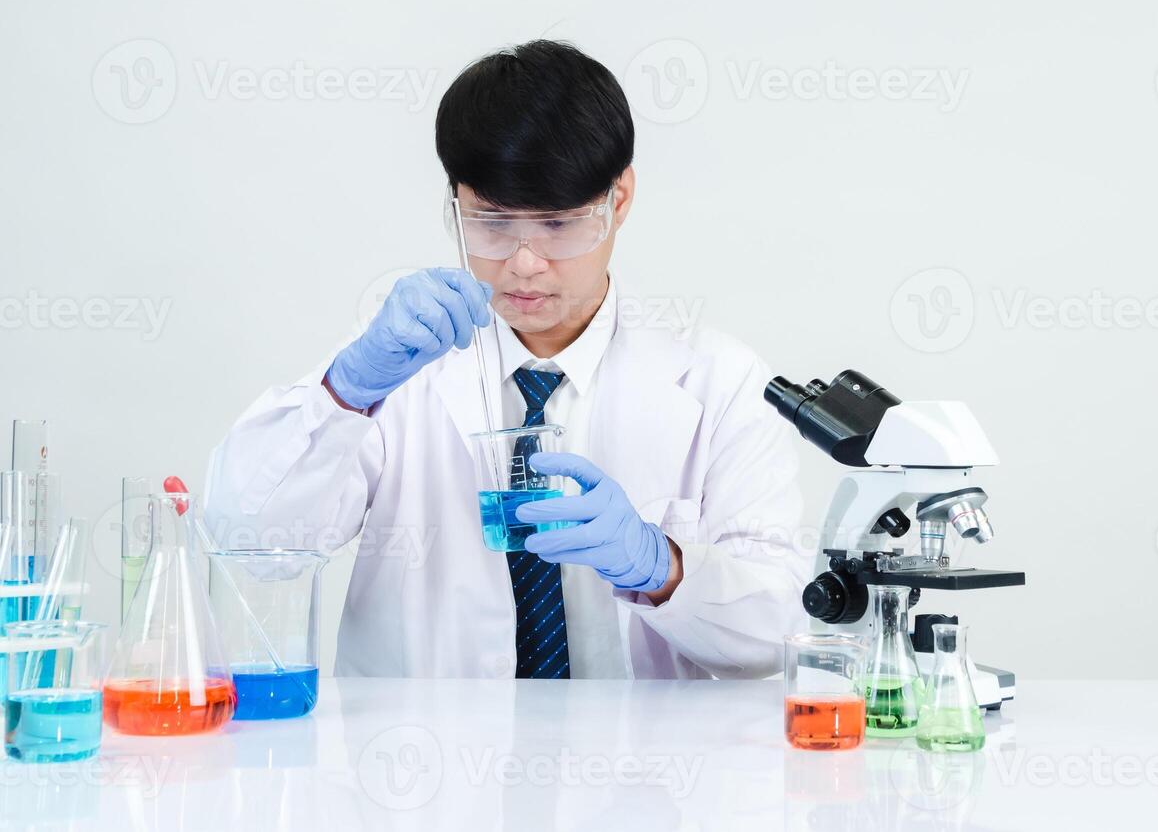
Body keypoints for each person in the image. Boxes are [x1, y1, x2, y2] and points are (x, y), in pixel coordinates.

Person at [205, 39, 808, 680]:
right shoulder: (398, 365)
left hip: (638, 770)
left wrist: (661, 568)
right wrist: (345, 393)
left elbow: (779, 631)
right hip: (422, 764)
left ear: (619, 199)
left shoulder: (720, 380)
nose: (523, 262)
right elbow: (251, 542)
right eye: (491, 221)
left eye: (556, 223)